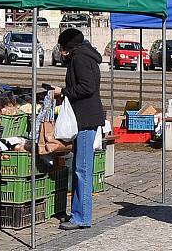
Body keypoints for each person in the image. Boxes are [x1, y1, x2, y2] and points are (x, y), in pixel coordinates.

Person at [53, 28, 105, 231]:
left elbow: (87, 87)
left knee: (82, 169)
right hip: (86, 117)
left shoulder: (80, 59)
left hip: (85, 118)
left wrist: (63, 91)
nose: (60, 51)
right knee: (79, 167)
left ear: (68, 47)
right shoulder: (84, 55)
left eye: (62, 47)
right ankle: (77, 213)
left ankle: (82, 217)